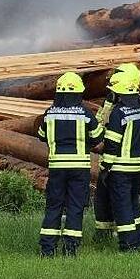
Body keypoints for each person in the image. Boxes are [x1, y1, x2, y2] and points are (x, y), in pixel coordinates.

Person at [36, 72, 103, 257]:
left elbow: (41, 136)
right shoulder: (86, 113)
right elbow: (98, 137)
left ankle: (47, 250)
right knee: (75, 206)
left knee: (54, 205)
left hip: (57, 167)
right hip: (79, 168)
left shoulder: (50, 113)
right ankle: (70, 249)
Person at [98, 69, 140, 252]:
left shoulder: (119, 113)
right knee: (134, 204)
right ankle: (139, 241)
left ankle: (128, 245)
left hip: (121, 169)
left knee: (122, 207)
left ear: (119, 92)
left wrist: (105, 167)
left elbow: (112, 144)